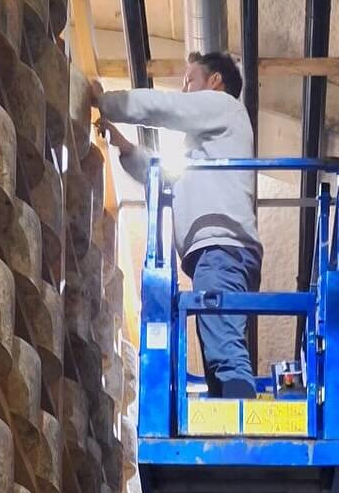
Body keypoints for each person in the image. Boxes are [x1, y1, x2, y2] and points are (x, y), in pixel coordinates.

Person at [95, 52, 262, 398]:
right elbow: (164, 179)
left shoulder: (224, 106)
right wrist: (123, 145)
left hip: (221, 250)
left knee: (225, 352)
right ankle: (231, 426)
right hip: (217, 253)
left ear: (215, 81)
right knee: (219, 351)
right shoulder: (205, 154)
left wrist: (106, 102)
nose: (185, 90)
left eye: (190, 79)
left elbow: (167, 108)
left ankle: (242, 430)